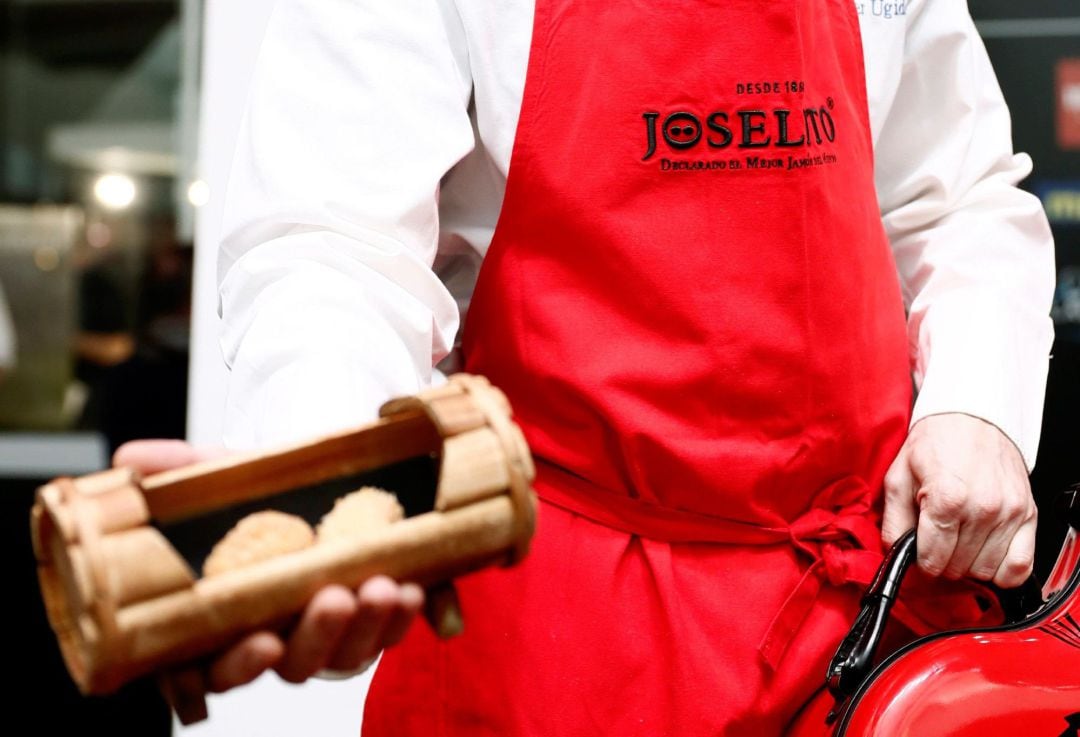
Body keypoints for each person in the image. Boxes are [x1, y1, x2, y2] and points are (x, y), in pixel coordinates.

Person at [118, 1, 1056, 734]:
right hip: (559, 642)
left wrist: (979, 401)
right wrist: (327, 486)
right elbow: (333, 249)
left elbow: (957, 195)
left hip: (863, 620)